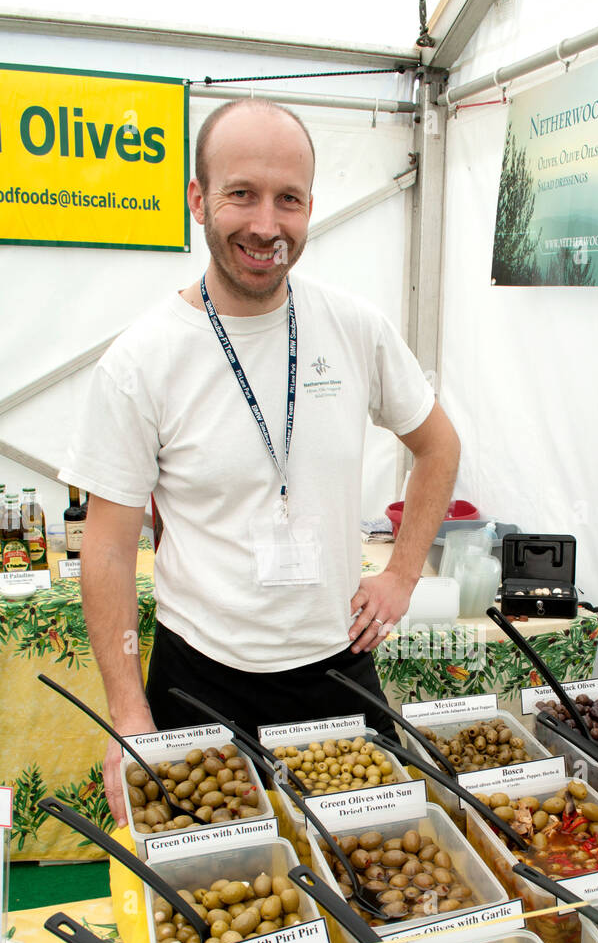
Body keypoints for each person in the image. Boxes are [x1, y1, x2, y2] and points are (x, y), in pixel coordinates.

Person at [60, 98, 461, 826]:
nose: (266, 226)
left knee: (374, 890)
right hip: (199, 681)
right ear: (197, 200)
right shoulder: (141, 361)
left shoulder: (354, 328)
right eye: (241, 193)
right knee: (215, 908)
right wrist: (127, 708)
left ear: (311, 207)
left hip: (337, 670)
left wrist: (401, 573)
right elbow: (110, 544)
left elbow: (437, 445)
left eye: (289, 200)